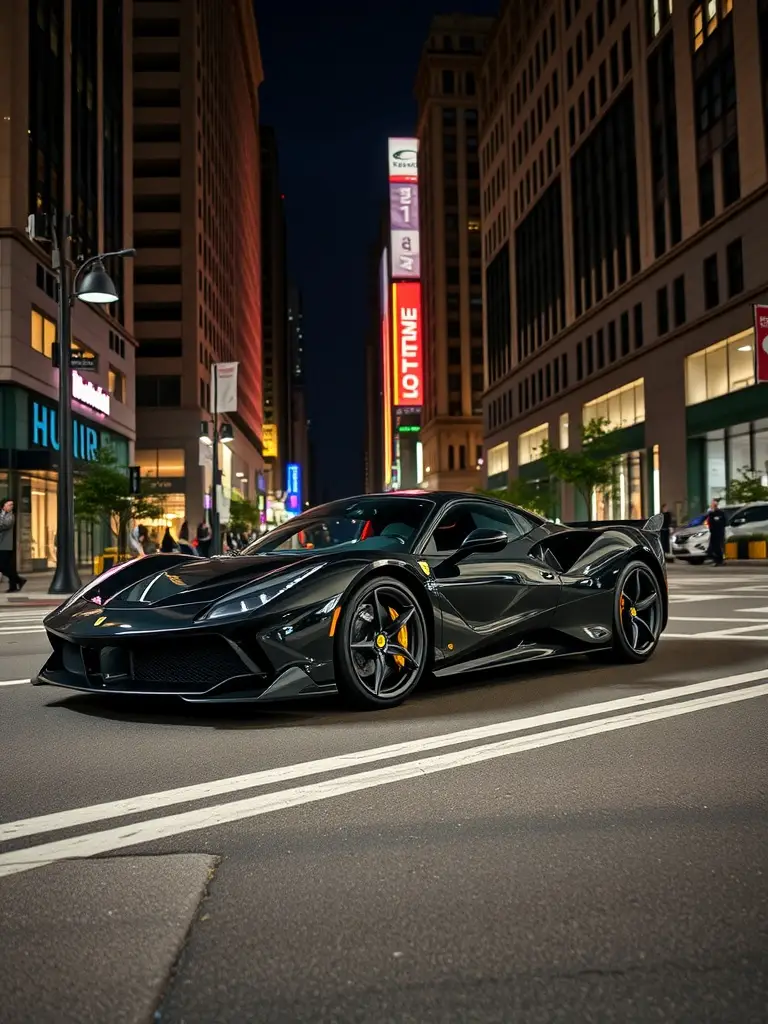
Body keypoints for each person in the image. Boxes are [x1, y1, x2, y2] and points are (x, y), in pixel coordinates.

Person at [0, 498, 26, 593]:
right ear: (3, 505)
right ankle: (15, 584)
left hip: (5, 545)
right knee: (7, 566)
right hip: (1, 544)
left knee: (3, 566)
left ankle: (18, 580)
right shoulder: (3, 515)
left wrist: (2, 513)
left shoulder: (11, 516)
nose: (11, 506)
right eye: (9, 504)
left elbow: (3, 525)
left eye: (12, 505)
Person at [705, 498, 727, 566]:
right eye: (712, 504)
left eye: (713, 504)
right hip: (714, 533)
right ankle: (716, 560)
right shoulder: (711, 514)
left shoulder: (721, 513)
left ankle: (720, 560)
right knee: (714, 547)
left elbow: (724, 522)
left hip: (719, 532)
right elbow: (709, 523)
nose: (712, 506)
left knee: (719, 547)